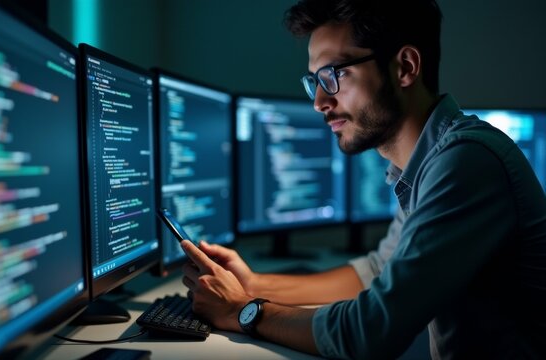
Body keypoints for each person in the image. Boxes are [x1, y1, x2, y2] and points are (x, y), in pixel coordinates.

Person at [181, 0, 546, 358]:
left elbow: (369, 332)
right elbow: (377, 271)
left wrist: (242, 311)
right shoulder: (426, 165)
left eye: (334, 75)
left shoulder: (465, 161)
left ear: (404, 67)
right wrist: (254, 285)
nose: (319, 101)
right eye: (315, 81)